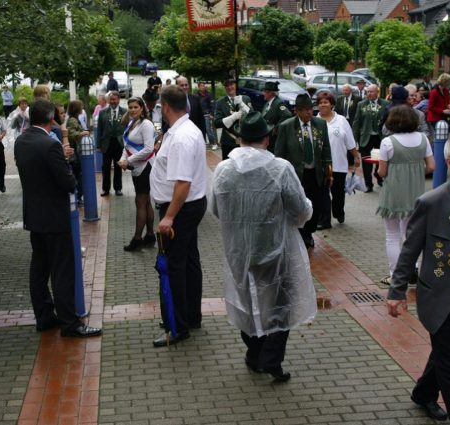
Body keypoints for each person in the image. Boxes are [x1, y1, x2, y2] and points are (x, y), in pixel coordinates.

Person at [211, 111, 316, 382]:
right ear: (267, 139)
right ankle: (270, 360)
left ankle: (255, 354)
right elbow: (300, 209)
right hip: (275, 249)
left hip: (238, 250)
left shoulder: (223, 169)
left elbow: (216, 209)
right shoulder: (280, 168)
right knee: (280, 304)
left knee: (247, 301)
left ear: (240, 139)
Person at [386, 132, 450, 423]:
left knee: (448, 352)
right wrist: (397, 291)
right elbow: (409, 251)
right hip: (442, 295)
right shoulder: (431, 202)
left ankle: (424, 392)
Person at [14, 98, 101, 338]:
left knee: (39, 270)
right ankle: (70, 323)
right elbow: (68, 182)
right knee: (62, 271)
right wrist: (63, 158)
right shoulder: (50, 145)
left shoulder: (21, 141)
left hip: (34, 216)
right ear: (52, 119)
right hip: (54, 217)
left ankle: (44, 317)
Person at [150, 85, 207, 347]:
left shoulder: (182, 136)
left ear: (166, 107)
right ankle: (190, 316)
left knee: (173, 267)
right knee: (188, 262)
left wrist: (169, 217)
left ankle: (177, 326)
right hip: (187, 206)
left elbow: (183, 183)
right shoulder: (183, 130)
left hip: (181, 208)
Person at [376, 105, 434, 286]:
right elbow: (431, 166)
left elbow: (382, 172)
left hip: (393, 194)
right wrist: (415, 172)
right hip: (416, 193)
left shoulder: (388, 142)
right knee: (409, 234)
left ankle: (395, 274)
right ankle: (413, 269)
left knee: (392, 235)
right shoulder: (423, 139)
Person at [274, 94, 333, 249]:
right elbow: (279, 153)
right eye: (305, 110)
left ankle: (309, 232)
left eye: (311, 109)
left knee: (316, 205)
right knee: (298, 205)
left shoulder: (320, 124)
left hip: (315, 173)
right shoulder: (286, 126)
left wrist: (329, 171)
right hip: (296, 175)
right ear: (297, 111)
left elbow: (326, 148)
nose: (309, 112)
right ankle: (300, 234)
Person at [316, 90, 360, 229]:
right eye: (320, 103)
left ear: (332, 104)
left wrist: (356, 156)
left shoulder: (341, 120)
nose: (323, 105)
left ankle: (339, 212)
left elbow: (350, 141)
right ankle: (324, 220)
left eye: (326, 102)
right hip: (321, 165)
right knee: (322, 193)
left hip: (338, 164)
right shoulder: (314, 121)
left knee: (338, 194)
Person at [118, 97, 156, 251]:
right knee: (145, 202)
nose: (133, 110)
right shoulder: (132, 123)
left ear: (142, 108)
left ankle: (137, 239)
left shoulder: (146, 124)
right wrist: (123, 159)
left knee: (140, 201)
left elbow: (149, 149)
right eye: (130, 107)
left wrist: (129, 160)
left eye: (135, 107)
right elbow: (126, 145)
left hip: (146, 167)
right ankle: (150, 235)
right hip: (136, 167)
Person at [352, 83, 388, 192]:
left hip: (380, 137)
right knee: (366, 161)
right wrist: (354, 140)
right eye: (367, 92)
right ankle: (368, 184)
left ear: (377, 92)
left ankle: (379, 176)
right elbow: (357, 122)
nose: (369, 94)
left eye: (371, 92)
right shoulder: (361, 104)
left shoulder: (385, 104)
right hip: (366, 137)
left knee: (380, 159)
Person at [214, 79, 253, 160]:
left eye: (231, 85)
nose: (229, 87)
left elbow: (252, 116)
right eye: (227, 86)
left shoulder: (245, 99)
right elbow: (217, 123)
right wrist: (232, 118)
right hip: (228, 141)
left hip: (245, 140)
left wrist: (242, 105)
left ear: (235, 85)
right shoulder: (220, 102)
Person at [96, 91, 126, 196]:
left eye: (114, 99)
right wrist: (98, 145)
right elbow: (99, 129)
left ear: (119, 100)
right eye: (111, 99)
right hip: (106, 143)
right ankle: (105, 189)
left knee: (118, 166)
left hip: (119, 143)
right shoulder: (102, 112)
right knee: (106, 167)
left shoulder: (125, 112)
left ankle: (118, 188)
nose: (112, 101)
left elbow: (128, 128)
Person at [66, 100, 89, 203]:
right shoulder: (72, 120)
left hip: (77, 150)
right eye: (81, 106)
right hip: (75, 151)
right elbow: (71, 134)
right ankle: (78, 197)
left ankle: (78, 196)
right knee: (78, 174)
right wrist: (82, 133)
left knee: (78, 174)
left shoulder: (74, 119)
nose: (82, 108)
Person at [260, 81, 292, 151]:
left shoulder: (278, 103)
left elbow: (287, 115)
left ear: (271, 93)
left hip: (274, 139)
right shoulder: (268, 103)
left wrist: (276, 127)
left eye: (265, 92)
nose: (263, 94)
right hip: (267, 136)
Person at [197, 81, 217, 149]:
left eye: (204, 85)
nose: (203, 87)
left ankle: (213, 143)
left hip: (207, 114)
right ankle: (204, 143)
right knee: (201, 130)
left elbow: (212, 105)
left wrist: (212, 114)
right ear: (199, 87)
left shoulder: (209, 94)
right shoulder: (196, 95)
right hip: (200, 115)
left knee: (208, 130)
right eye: (202, 86)